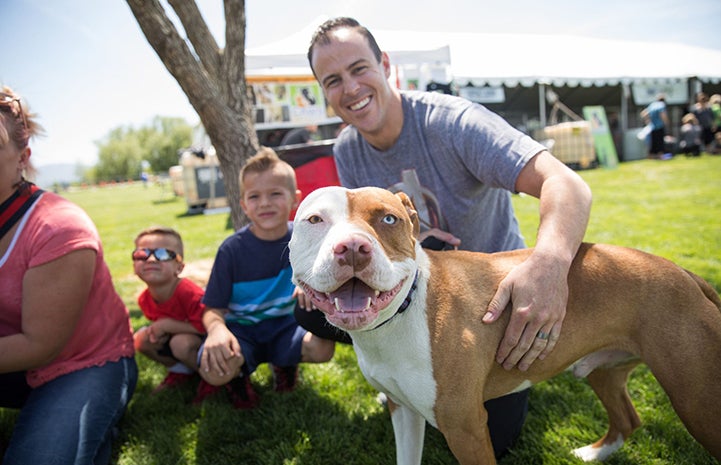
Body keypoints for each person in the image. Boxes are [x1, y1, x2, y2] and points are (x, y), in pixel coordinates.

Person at [305, 18, 592, 457]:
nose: (350, 88)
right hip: (416, 284)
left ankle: (418, 375)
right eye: (333, 80)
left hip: (488, 297)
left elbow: (566, 183)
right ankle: (398, 378)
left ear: (385, 64)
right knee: (305, 308)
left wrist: (549, 265)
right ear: (324, 92)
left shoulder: (454, 123)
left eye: (360, 69)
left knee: (491, 435)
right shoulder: (348, 148)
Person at [0, 86, 137, 464]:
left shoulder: (59, 228)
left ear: (22, 159)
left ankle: (93, 417)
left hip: (85, 361)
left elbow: (40, 345)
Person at [198, 147, 335, 409]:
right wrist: (216, 330)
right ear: (244, 206)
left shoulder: (307, 239)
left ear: (295, 199)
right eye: (254, 196)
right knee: (213, 369)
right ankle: (237, 379)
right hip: (242, 330)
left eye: (275, 194)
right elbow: (212, 308)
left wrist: (314, 286)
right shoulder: (231, 250)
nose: (265, 203)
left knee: (322, 348)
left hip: (287, 326)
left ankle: (284, 364)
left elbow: (327, 276)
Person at [132, 226, 219, 402]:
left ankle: (213, 378)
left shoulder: (189, 293)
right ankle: (181, 371)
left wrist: (167, 326)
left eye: (163, 254)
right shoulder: (144, 299)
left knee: (182, 344)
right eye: (142, 254)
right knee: (141, 339)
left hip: (208, 341)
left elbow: (208, 327)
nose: (150, 259)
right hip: (183, 336)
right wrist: (160, 333)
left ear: (179, 267)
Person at [640, 94, 671, 159]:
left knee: (653, 143)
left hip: (652, 127)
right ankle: (660, 156)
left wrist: (648, 121)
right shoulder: (661, 105)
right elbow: (663, 115)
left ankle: (651, 156)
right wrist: (666, 123)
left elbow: (643, 114)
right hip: (659, 126)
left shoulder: (652, 105)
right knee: (660, 143)